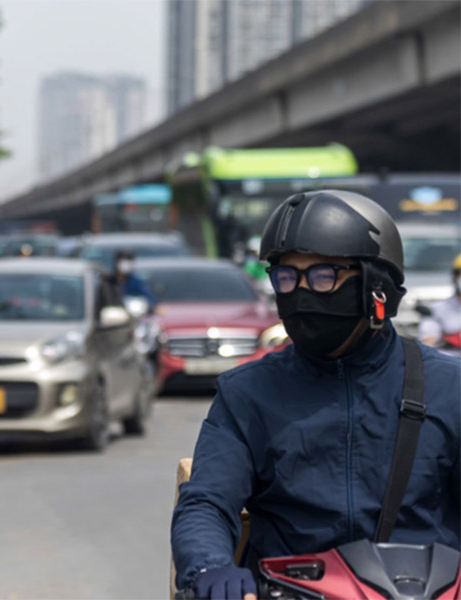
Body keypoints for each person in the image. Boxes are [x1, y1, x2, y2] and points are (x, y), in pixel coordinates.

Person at [171, 190, 460, 599]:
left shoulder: (449, 386)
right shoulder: (247, 393)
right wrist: (209, 567)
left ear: (376, 288)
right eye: (286, 277)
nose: (301, 293)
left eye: (324, 276)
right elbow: (207, 503)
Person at [418, 253, 461, 350]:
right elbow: (427, 341)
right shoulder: (437, 309)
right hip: (449, 361)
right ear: (454, 277)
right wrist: (450, 340)